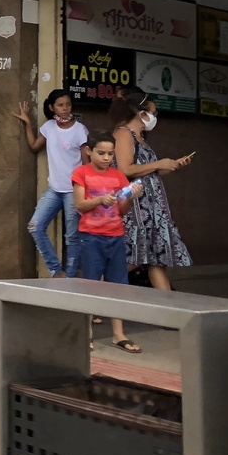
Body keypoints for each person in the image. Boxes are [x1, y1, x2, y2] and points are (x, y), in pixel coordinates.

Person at [109, 90, 195, 290]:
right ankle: (93, 299)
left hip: (153, 208)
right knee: (134, 258)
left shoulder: (141, 138)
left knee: (156, 261)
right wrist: (158, 163)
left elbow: (150, 173)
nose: (155, 118)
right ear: (140, 113)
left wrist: (172, 165)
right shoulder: (124, 134)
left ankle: (168, 311)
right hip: (137, 208)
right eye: (153, 113)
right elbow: (125, 169)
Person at [73, 131, 144, 353]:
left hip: (115, 235)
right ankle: (87, 333)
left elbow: (122, 210)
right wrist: (100, 199)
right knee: (91, 285)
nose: (106, 158)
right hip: (91, 236)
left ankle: (118, 334)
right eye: (101, 153)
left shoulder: (118, 176)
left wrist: (130, 197)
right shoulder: (81, 173)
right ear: (89, 151)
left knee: (118, 285)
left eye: (110, 154)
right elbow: (80, 205)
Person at [16, 90, 91, 278]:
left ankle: (71, 277)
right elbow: (34, 146)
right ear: (51, 107)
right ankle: (57, 272)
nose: (65, 109)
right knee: (35, 226)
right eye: (60, 105)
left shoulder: (80, 130)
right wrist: (27, 123)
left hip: (74, 190)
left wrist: (85, 191)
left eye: (68, 104)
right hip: (54, 189)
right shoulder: (49, 127)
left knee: (72, 237)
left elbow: (86, 164)